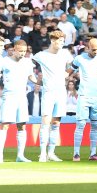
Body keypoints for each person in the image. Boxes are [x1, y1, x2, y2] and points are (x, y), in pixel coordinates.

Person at [33, 30, 72, 162]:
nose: (62, 43)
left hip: (61, 91)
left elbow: (73, 65)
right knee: (45, 122)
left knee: (56, 123)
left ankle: (51, 153)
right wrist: (36, 80)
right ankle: (42, 153)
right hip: (48, 92)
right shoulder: (41, 55)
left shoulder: (65, 54)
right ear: (52, 41)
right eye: (59, 41)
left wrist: (67, 74)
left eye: (62, 41)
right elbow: (29, 65)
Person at [0, 40, 36, 163]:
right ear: (14, 49)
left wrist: (40, 81)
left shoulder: (28, 62)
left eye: (24, 51)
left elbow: (31, 77)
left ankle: (20, 155)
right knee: (5, 124)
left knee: (22, 125)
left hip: (21, 97)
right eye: (20, 51)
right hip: (9, 96)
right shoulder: (4, 61)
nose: (23, 54)